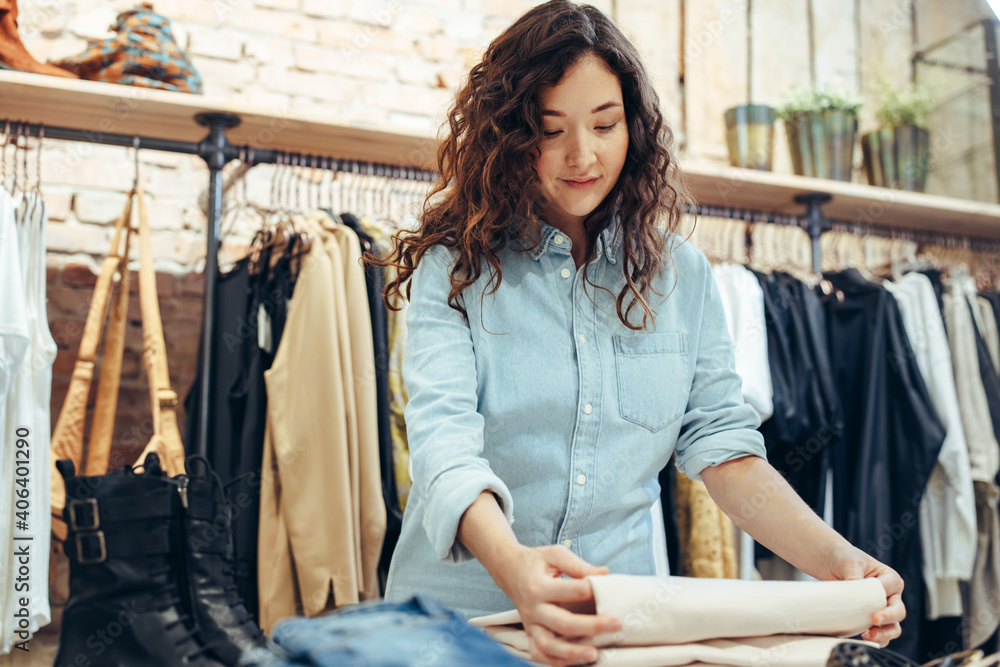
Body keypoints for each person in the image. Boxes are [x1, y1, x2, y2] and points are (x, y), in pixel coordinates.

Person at [371, 2, 905, 665]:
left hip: (619, 628)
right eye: (550, 129)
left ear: (635, 126)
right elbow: (444, 446)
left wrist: (840, 559)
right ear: (511, 135)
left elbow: (726, 450)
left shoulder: (682, 276)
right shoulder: (455, 267)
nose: (582, 155)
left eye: (605, 124)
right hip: (458, 624)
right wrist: (516, 569)